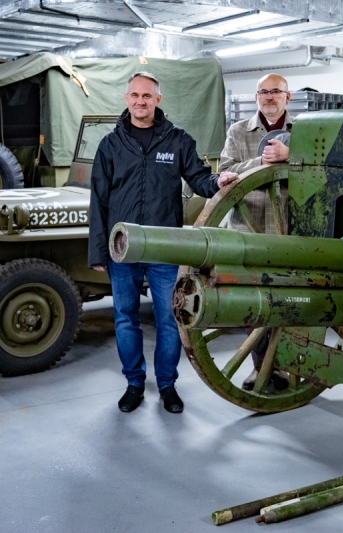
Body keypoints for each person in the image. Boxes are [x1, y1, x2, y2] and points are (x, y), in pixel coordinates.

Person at [88, 72, 238, 414]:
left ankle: (168, 385)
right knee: (125, 317)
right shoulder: (110, 145)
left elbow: (199, 178)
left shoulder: (177, 140)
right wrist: (98, 250)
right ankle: (134, 384)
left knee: (169, 318)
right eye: (135, 95)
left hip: (165, 247)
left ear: (158, 100)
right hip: (122, 247)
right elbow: (98, 200)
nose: (141, 101)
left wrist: (218, 181)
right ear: (126, 99)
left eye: (147, 96)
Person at [219, 73, 293, 391]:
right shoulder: (238, 131)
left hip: (286, 233)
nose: (269, 97)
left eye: (276, 91)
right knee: (257, 302)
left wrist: (292, 159)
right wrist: (259, 163)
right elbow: (225, 169)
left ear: (287, 97)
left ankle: (284, 365)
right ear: (256, 97)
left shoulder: (304, 132)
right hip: (248, 232)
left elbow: (323, 170)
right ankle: (261, 366)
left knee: (289, 300)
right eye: (263, 92)